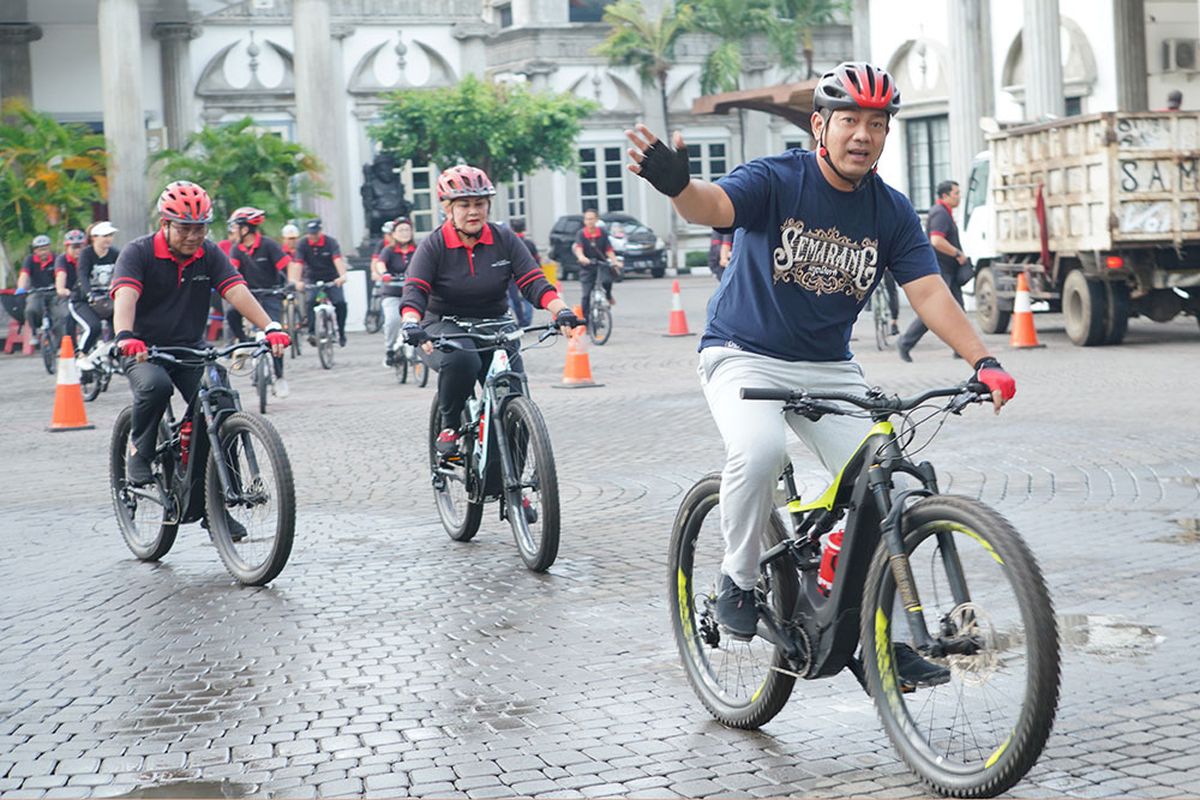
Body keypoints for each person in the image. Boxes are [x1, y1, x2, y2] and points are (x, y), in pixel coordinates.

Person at [624, 62, 1015, 683]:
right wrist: (679, 186)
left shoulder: (890, 212)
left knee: (900, 490)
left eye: (878, 123)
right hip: (741, 352)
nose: (863, 134)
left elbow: (931, 294)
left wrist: (984, 360)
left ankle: (869, 631)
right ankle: (739, 580)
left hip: (830, 368)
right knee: (757, 450)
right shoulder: (778, 178)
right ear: (820, 126)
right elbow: (714, 206)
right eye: (850, 120)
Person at [108, 180, 289, 487]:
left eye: (200, 228)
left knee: (220, 402)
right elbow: (125, 295)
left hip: (191, 348)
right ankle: (140, 453)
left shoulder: (209, 253)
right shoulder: (138, 252)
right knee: (155, 386)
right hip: (142, 349)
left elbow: (236, 291)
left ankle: (222, 499)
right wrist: (125, 335)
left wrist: (270, 326)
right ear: (165, 224)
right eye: (184, 228)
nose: (193, 236)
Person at [399, 164, 577, 454]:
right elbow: (415, 289)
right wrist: (411, 322)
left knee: (513, 400)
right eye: (464, 205)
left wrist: (561, 310)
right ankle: (450, 425)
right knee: (462, 362)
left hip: (495, 323)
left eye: (479, 204)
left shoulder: (504, 239)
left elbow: (533, 281)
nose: (473, 211)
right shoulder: (434, 245)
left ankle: (516, 491)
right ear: (448, 209)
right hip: (443, 323)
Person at [226, 206, 293, 399]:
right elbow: (233, 272)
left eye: (235, 227)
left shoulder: (268, 245)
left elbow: (286, 266)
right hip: (249, 295)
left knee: (275, 333)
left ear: (245, 229)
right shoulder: (236, 250)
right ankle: (245, 343)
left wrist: (291, 283)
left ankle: (280, 377)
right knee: (231, 313)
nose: (233, 232)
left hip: (271, 294)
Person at [897, 180, 966, 362]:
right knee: (933, 311)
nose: (959, 197)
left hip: (948, 269)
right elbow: (936, 241)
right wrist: (957, 253)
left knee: (958, 309)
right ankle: (905, 342)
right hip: (942, 270)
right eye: (956, 193)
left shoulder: (944, 213)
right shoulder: (940, 214)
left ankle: (962, 348)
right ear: (945, 196)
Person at [71, 221, 121, 370]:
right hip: (83, 301)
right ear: (94, 237)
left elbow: (122, 273)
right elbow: (83, 276)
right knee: (94, 327)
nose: (108, 239)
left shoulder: (114, 253)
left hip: (106, 300)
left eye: (110, 235)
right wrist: (89, 295)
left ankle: (112, 355)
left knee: (120, 326)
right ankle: (81, 355)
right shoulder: (86, 254)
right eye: (104, 236)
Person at [293, 218, 350, 347]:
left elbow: (337, 260)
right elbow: (298, 264)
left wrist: (342, 276)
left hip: (331, 277)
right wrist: (297, 281)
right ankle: (312, 332)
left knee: (340, 303)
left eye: (316, 233)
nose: (313, 236)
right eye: (311, 233)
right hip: (312, 277)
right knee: (310, 301)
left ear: (320, 231)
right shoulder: (302, 244)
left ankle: (341, 331)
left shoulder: (331, 242)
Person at [372, 216, 417, 367]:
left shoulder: (418, 249)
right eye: (401, 230)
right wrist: (384, 274)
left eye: (407, 229)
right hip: (392, 292)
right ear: (394, 234)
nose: (404, 233)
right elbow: (380, 263)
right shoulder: (388, 250)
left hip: (412, 293)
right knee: (393, 320)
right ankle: (390, 349)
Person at [572, 208, 619, 331]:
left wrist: (615, 261)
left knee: (607, 281)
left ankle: (608, 296)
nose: (589, 221)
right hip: (587, 267)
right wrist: (582, 257)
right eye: (587, 219)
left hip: (601, 264)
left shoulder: (602, 233)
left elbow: (609, 249)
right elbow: (579, 249)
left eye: (592, 219)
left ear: (597, 220)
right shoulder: (581, 234)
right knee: (586, 296)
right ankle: (586, 322)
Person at [15, 234, 60, 337]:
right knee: (31, 309)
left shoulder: (57, 258)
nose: (43, 252)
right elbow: (24, 274)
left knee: (60, 314)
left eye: (45, 249)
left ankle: (59, 341)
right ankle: (34, 332)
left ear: (49, 248)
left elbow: (61, 274)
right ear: (35, 250)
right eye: (40, 250)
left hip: (54, 292)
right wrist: (21, 287)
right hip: (36, 292)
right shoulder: (29, 260)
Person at [507, 218, 537, 327]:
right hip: (528, 274)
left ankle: (520, 320)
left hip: (512, 276)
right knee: (527, 298)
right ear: (524, 228)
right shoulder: (529, 243)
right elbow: (536, 259)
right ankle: (527, 321)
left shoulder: (509, 243)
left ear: (512, 228)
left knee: (514, 300)